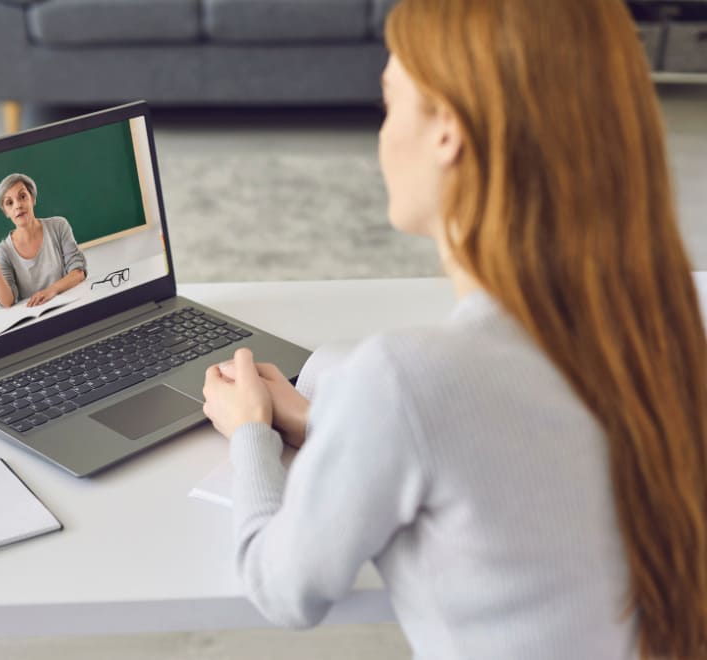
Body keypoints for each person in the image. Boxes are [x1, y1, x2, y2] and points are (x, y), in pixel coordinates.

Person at [201, 0, 707, 658]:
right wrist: (328, 422)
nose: (381, 134)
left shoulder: (407, 378)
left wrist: (249, 434)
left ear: (448, 130)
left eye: (388, 101)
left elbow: (283, 587)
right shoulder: (664, 328)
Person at [0, 173, 87, 307]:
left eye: (22, 196)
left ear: (32, 199)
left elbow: (78, 272)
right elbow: (7, 301)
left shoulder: (59, 226)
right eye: (9, 203)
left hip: (70, 306)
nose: (18, 206)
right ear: (6, 213)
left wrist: (51, 291)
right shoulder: (3, 252)